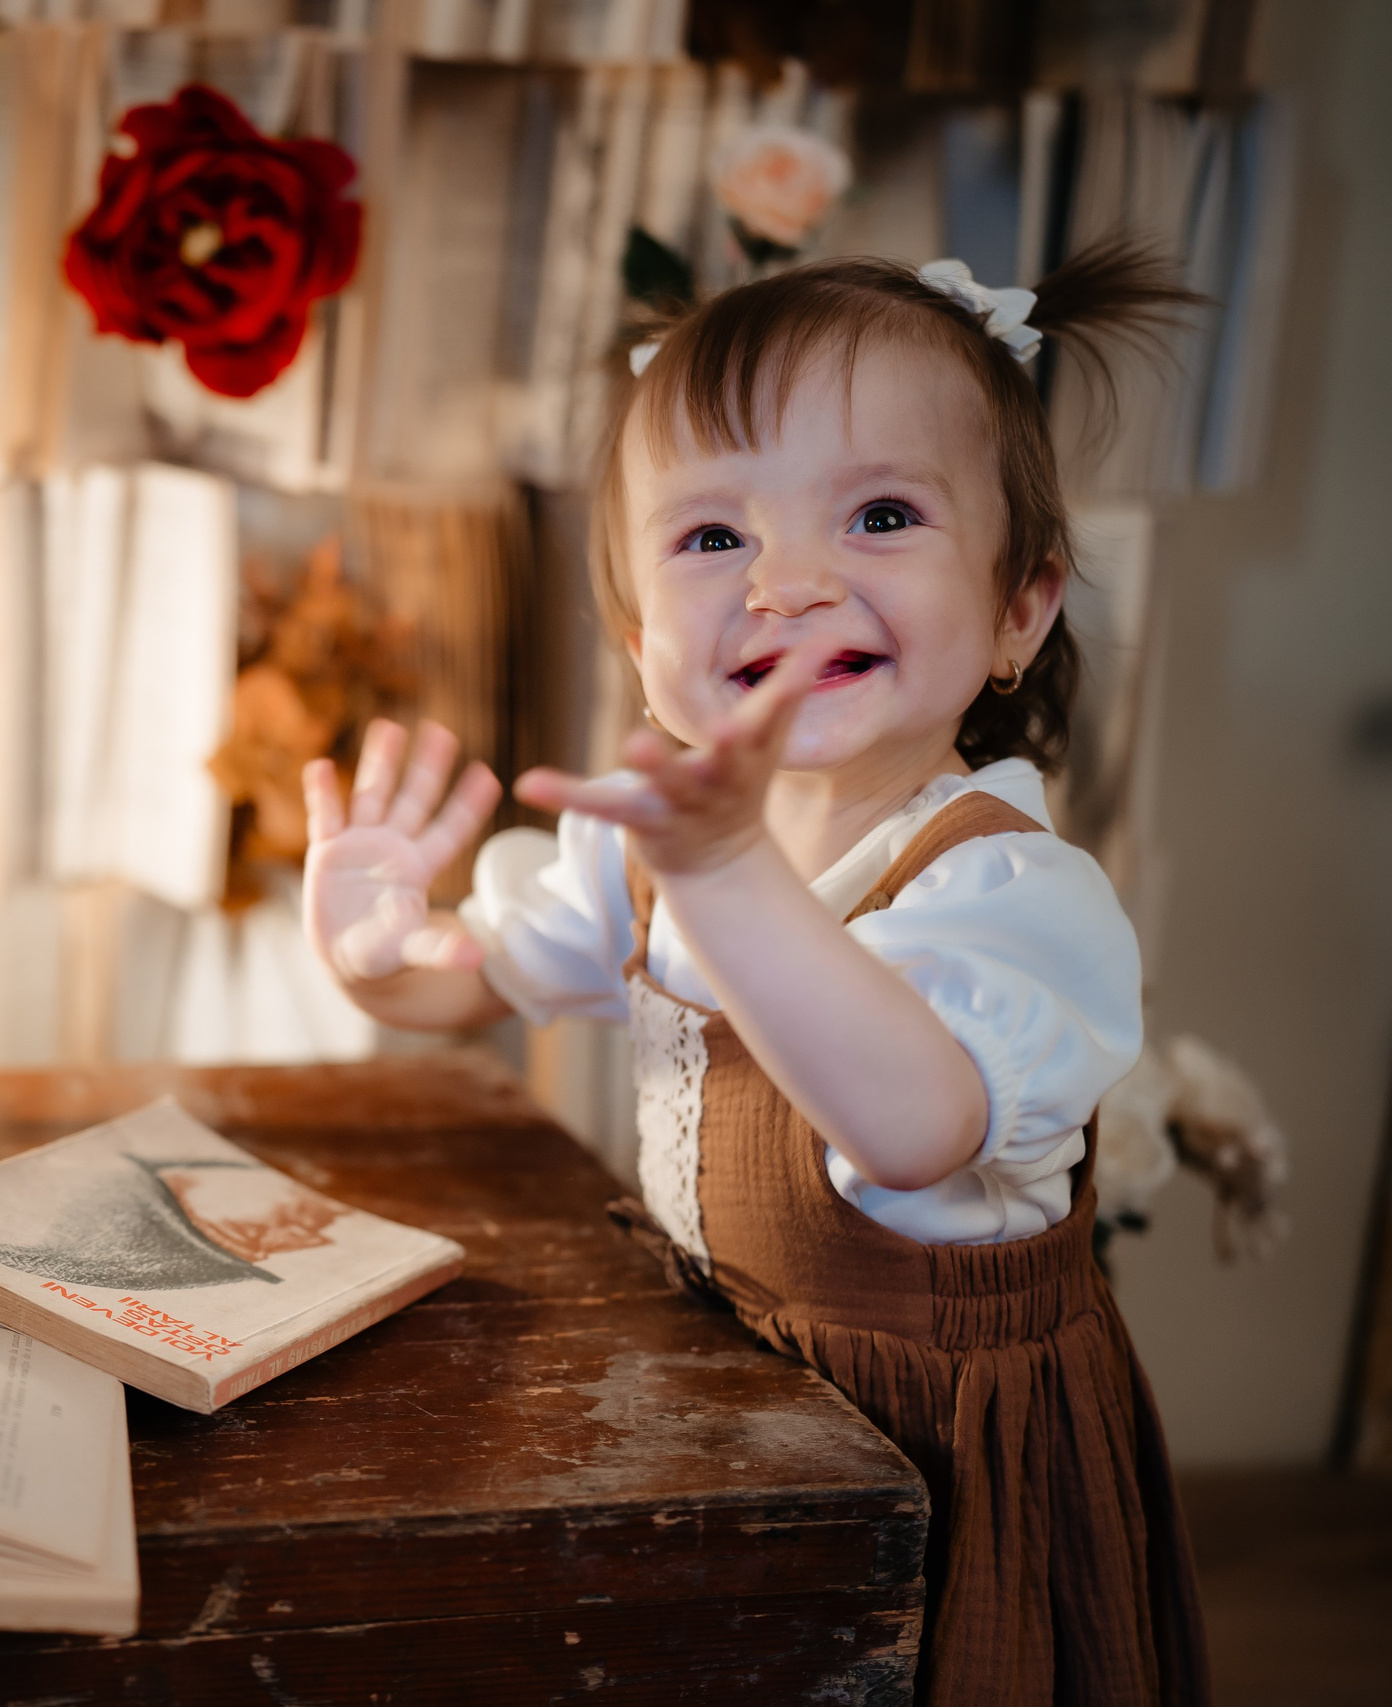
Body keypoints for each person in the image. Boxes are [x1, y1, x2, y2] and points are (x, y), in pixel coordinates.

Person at [302, 247, 1208, 1705]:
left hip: (947, 1469)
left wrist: (724, 875)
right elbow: (473, 983)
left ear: (1019, 608)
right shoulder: (662, 848)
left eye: (883, 515)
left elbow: (912, 1123)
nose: (788, 583)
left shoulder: (1007, 893)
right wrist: (376, 951)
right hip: (725, 1409)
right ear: (640, 645)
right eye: (713, 536)